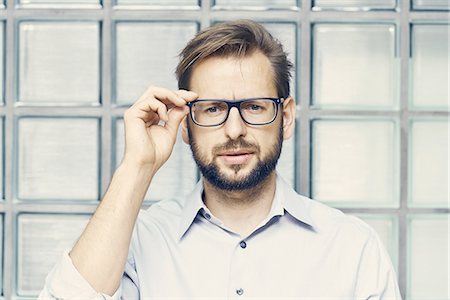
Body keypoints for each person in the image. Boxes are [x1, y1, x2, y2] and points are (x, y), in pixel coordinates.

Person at [39, 19, 401, 299]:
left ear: (286, 116)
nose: (234, 130)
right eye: (212, 109)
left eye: (254, 107)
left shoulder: (352, 248)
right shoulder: (136, 241)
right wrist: (138, 166)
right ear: (184, 123)